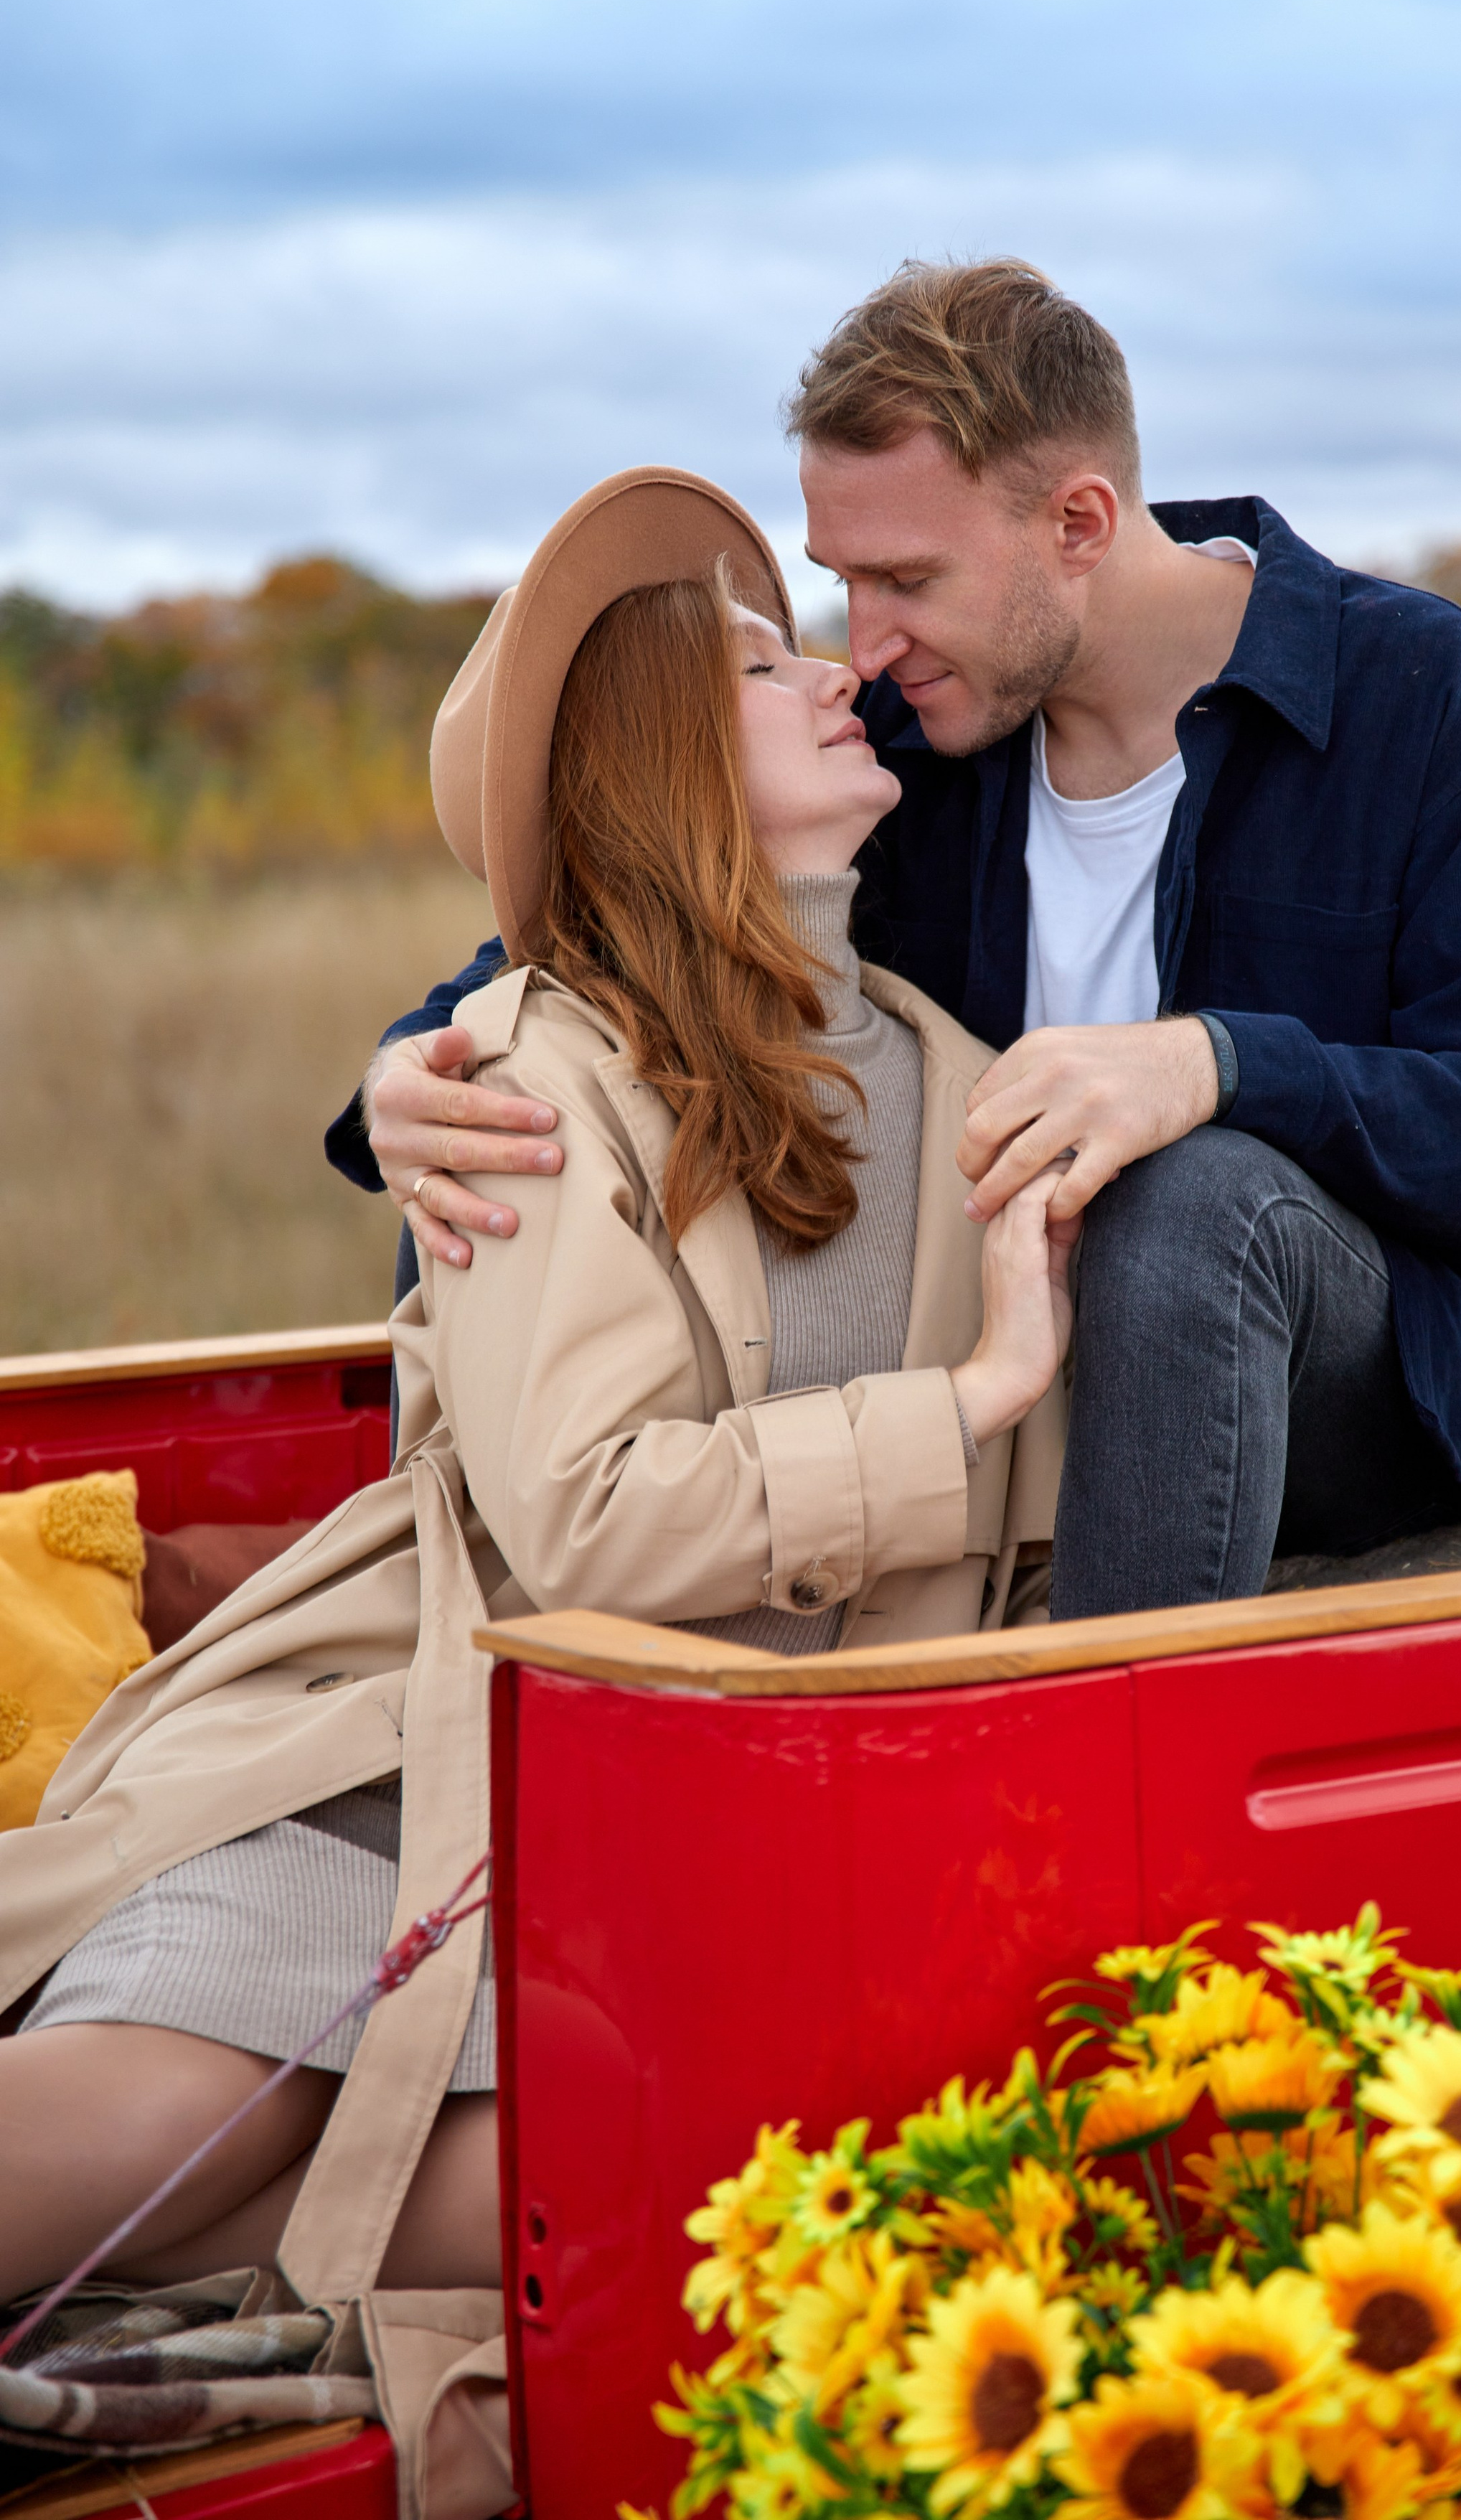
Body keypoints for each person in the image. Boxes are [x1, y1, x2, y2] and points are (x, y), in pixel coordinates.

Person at [0, 469, 1067, 2503]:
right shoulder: (525, 1078)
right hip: (420, 1785)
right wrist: (981, 1400)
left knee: (704, 2186)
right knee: (143, 2123)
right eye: (764, 666)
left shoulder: (966, 1073)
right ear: (665, 753)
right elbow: (582, 1526)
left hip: (684, 1849)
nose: (839, 671)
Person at [334, 260, 1461, 1617]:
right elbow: (619, 923)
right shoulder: (911, 744)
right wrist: (415, 1072)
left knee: (1182, 1201)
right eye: (842, 582)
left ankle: (1096, 1777)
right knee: (469, 1177)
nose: (865, 645)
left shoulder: (1418, 693)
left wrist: (1219, 1067)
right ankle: (480, 1676)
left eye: (904, 579)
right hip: (1015, 1387)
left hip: (1359, 1391)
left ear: (1078, 521)